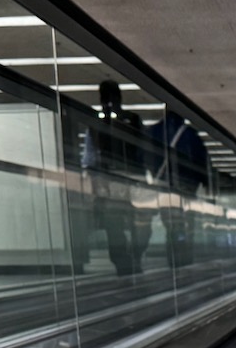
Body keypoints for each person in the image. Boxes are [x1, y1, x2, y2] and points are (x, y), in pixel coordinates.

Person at [82, 80, 152, 276]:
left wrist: (93, 185)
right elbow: (146, 151)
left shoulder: (95, 123)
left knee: (115, 226)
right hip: (133, 181)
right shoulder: (134, 120)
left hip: (109, 183)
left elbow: (90, 157)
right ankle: (134, 258)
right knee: (140, 223)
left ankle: (124, 264)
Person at [148, 108, 209, 268]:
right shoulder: (190, 134)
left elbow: (146, 157)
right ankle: (186, 257)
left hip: (164, 189)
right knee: (188, 224)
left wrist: (154, 176)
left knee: (171, 225)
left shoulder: (153, 131)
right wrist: (205, 183)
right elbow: (201, 161)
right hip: (187, 189)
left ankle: (173, 260)